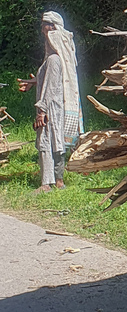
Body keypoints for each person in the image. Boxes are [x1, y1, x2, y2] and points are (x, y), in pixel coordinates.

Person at [18, 11, 83, 193]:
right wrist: (33, 82)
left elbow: (50, 88)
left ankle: (46, 184)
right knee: (58, 141)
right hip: (58, 106)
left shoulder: (54, 59)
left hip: (51, 108)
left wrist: (41, 110)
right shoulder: (56, 58)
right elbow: (51, 81)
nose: (41, 29)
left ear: (52, 28)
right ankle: (59, 181)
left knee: (46, 141)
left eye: (43, 25)